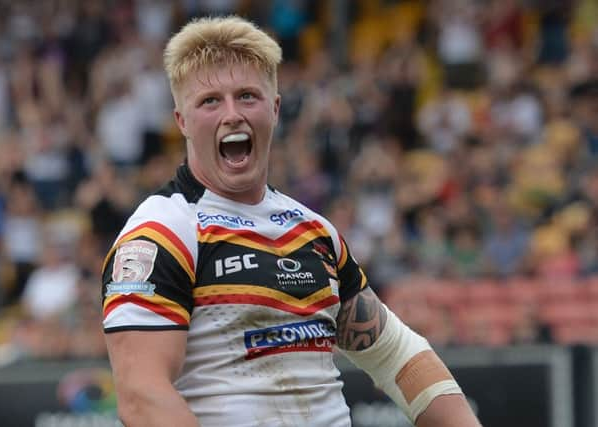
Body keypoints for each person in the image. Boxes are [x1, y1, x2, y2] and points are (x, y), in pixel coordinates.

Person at [101, 15, 481, 427]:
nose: (232, 114)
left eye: (247, 96)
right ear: (182, 121)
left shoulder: (315, 232)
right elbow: (142, 398)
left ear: (275, 108)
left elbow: (397, 355)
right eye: (210, 101)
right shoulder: (160, 233)